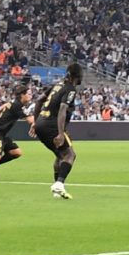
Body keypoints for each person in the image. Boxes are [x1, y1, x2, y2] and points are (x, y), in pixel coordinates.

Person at [34, 63, 82, 199]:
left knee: (60, 155)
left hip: (41, 124)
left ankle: (57, 190)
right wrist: (61, 133)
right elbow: (62, 109)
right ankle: (59, 183)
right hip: (52, 125)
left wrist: (35, 122)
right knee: (70, 155)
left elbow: (39, 100)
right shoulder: (70, 89)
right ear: (77, 77)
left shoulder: (57, 85)